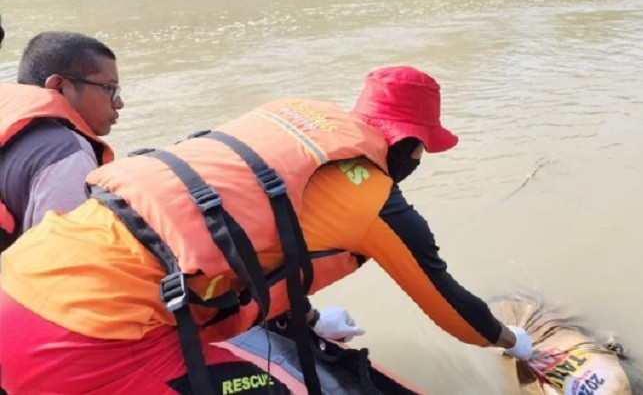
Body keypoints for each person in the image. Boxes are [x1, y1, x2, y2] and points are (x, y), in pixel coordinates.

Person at [0, 66, 532, 394]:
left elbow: (230, 231)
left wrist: (307, 316)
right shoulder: (376, 200)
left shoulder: (286, 122)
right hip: (80, 345)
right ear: (407, 143)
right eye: (422, 148)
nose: (419, 159)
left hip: (20, 275)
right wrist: (521, 346)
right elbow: (451, 308)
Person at [0, 31, 122, 251]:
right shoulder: (68, 155)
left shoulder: (7, 116)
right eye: (109, 89)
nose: (119, 103)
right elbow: (67, 262)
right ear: (58, 87)